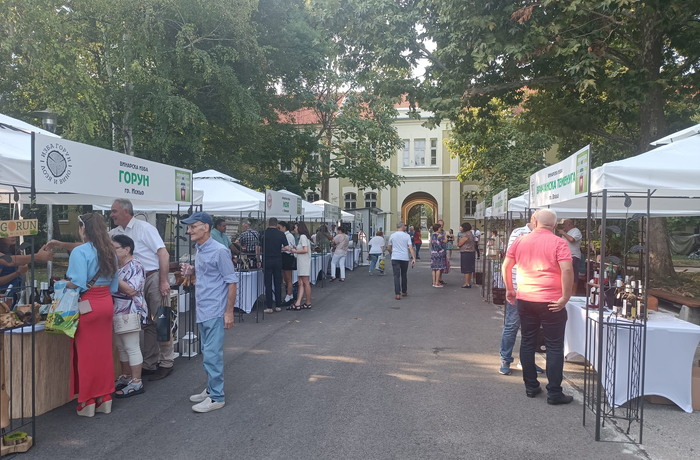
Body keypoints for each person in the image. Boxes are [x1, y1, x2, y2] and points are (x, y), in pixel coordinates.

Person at [48, 199, 174, 381]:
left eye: (114, 211)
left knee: (160, 320)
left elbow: (163, 253)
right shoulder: (113, 233)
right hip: (128, 279)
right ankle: (149, 363)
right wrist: (61, 244)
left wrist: (163, 280)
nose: (111, 214)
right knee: (147, 324)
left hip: (152, 276)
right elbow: (90, 246)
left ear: (126, 211)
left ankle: (167, 362)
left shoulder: (144, 228)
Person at [502, 209, 574, 405]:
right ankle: (554, 392)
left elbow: (506, 266)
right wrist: (565, 297)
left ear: (534, 222)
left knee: (527, 341)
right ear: (555, 226)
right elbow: (567, 269)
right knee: (554, 346)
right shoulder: (559, 242)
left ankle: (531, 386)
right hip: (552, 301)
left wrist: (510, 289)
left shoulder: (520, 241)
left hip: (526, 298)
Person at [181, 212, 237, 413]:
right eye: (189, 227)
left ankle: (217, 397)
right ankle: (212, 389)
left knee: (212, 355)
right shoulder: (201, 249)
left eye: (193, 226)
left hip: (214, 310)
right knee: (207, 352)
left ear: (205, 227)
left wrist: (229, 312)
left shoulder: (219, 251)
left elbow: (231, 281)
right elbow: (209, 274)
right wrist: (192, 270)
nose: (189, 231)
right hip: (203, 309)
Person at [66, 213, 119, 417]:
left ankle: (87, 400)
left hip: (87, 304)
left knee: (86, 355)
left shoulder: (79, 251)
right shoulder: (110, 252)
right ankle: (104, 397)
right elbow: (114, 285)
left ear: (83, 228)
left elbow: (78, 282)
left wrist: (62, 285)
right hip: (106, 302)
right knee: (104, 353)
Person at [498, 212, 544, 376]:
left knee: (532, 327)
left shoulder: (545, 234)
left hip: (537, 289)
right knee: (512, 324)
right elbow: (511, 258)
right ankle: (505, 359)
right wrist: (510, 287)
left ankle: (526, 361)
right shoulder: (519, 233)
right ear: (533, 220)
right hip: (519, 287)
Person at [111, 234, 147, 398]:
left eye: (115, 248)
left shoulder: (135, 266)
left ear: (127, 249)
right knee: (121, 346)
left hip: (129, 310)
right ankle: (126, 377)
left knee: (131, 346)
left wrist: (113, 275)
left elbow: (132, 289)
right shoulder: (118, 266)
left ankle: (136, 381)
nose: (112, 251)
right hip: (117, 310)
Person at [261, 217, 290, 314]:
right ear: (276, 224)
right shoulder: (281, 234)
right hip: (278, 260)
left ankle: (269, 306)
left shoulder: (263, 233)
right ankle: (278, 305)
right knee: (278, 283)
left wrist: (258, 259)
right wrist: (279, 249)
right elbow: (287, 247)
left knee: (268, 284)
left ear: (268, 223)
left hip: (267, 260)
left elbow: (258, 248)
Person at [388, 221, 416, 300]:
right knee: (404, 274)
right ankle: (404, 291)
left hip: (395, 257)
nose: (405, 227)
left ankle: (397, 293)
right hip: (404, 257)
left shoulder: (392, 235)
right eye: (404, 226)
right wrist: (413, 258)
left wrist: (391, 253)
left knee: (396, 275)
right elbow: (411, 247)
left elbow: (389, 247)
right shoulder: (407, 236)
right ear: (402, 227)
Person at [290, 222, 312, 310]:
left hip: (303, 263)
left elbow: (305, 250)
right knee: (301, 282)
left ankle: (308, 302)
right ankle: (298, 302)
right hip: (302, 262)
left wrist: (295, 251)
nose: (295, 229)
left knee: (305, 282)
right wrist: (297, 248)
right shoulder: (303, 237)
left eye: (295, 227)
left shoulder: (302, 237)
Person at [557, 219, 582, 293]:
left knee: (573, 275)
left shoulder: (576, 231)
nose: (563, 226)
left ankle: (573, 294)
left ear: (569, 225)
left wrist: (563, 233)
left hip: (573, 256)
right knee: (565, 275)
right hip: (565, 257)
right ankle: (566, 292)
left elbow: (571, 239)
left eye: (564, 224)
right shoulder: (566, 233)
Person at [278, 221, 297, 307]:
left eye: (279, 228)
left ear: (284, 227)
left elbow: (288, 248)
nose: (279, 229)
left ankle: (288, 296)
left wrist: (279, 248)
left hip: (287, 257)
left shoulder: (288, 236)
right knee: (286, 278)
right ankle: (290, 295)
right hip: (285, 257)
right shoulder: (286, 235)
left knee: (288, 278)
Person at [457, 223, 476, 288]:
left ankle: (467, 283)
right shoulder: (471, 234)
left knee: (466, 268)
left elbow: (460, 243)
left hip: (466, 252)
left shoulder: (466, 235)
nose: (460, 228)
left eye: (461, 227)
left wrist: (458, 243)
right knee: (470, 268)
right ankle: (468, 282)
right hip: (471, 252)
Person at [430, 223, 446, 288]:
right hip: (439, 252)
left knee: (434, 268)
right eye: (440, 228)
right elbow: (445, 241)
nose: (440, 229)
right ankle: (437, 282)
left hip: (433, 252)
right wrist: (445, 235)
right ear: (438, 228)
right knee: (438, 268)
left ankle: (434, 282)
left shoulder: (432, 235)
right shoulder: (440, 235)